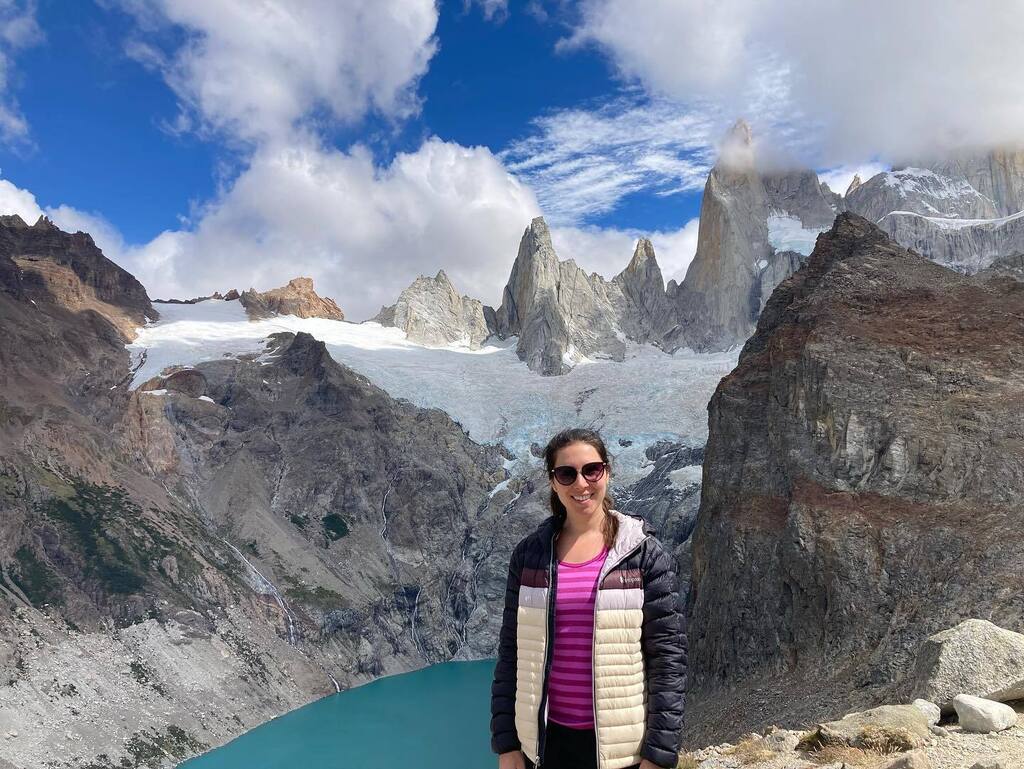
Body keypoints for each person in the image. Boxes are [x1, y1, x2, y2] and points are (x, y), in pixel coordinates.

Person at [490, 427, 687, 769]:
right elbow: (511, 653)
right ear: (553, 482)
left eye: (591, 470)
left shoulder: (642, 554)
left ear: (607, 472)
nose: (581, 484)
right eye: (566, 473)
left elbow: (668, 659)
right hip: (543, 746)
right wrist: (507, 745)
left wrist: (658, 755)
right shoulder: (529, 556)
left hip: (620, 751)